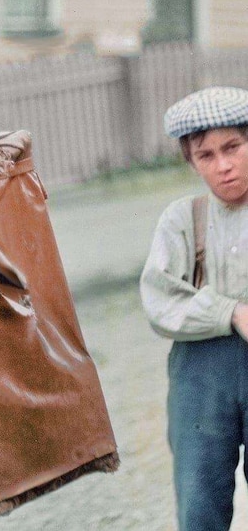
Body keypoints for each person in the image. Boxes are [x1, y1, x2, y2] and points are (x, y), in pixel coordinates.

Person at [140, 86, 248, 531]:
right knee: (200, 495)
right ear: (191, 162)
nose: (223, 165)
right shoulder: (184, 219)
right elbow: (160, 300)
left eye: (233, 147)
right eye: (206, 156)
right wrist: (232, 313)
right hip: (202, 375)